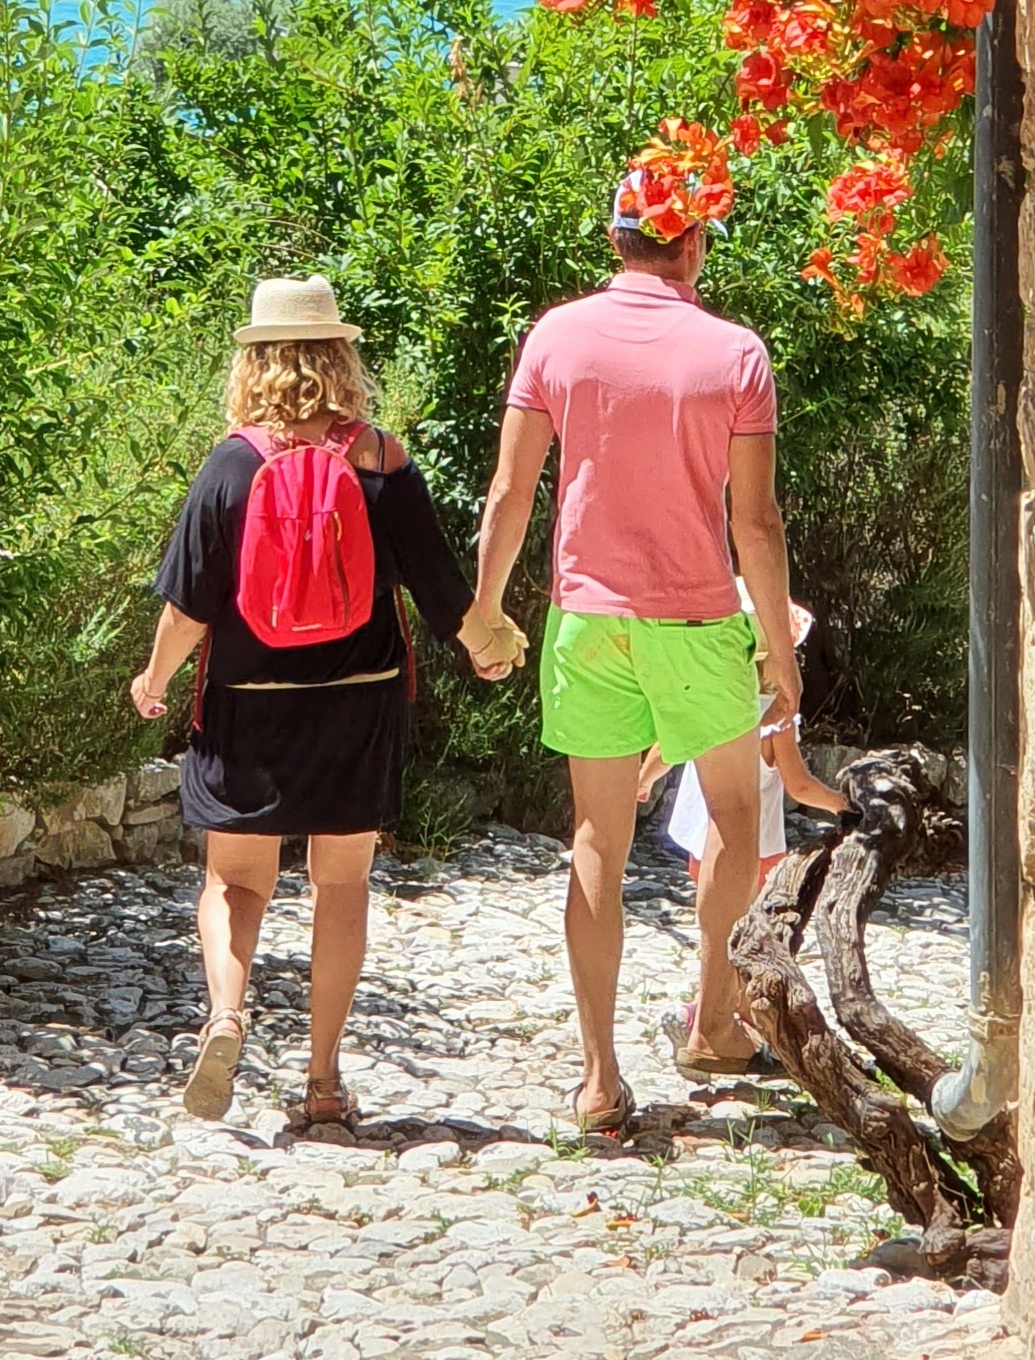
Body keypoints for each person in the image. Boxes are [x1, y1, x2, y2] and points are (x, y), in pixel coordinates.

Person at [467, 137, 801, 1133]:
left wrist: (484, 611)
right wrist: (778, 648)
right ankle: (714, 1021)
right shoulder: (736, 353)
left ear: (618, 240)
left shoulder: (555, 339)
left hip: (588, 619)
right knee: (739, 821)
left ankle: (599, 1078)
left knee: (595, 841)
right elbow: (757, 524)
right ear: (692, 244)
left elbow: (510, 489)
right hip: (698, 618)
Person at [131, 274, 514, 1131]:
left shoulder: (231, 465)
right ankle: (324, 1081)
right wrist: (486, 647)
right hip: (358, 700)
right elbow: (440, 588)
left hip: (248, 704)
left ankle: (227, 1015)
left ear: (255, 362)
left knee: (235, 882)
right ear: (341, 357)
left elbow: (188, 606)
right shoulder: (381, 460)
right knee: (340, 887)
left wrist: (154, 681)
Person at [639, 592, 848, 1081]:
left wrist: (644, 780)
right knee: (754, 940)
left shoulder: (705, 700)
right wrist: (842, 804)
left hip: (699, 839)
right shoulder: (774, 716)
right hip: (752, 846)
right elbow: (797, 784)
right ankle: (728, 1022)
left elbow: (667, 746)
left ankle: (711, 1016)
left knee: (717, 934)